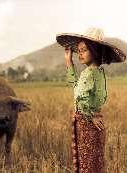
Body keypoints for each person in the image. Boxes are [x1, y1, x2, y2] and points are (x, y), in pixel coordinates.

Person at [56, 28, 126, 173]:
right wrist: (69, 61)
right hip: (95, 122)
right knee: (95, 162)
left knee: (86, 163)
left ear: (94, 51)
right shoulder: (98, 72)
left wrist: (90, 115)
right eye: (79, 50)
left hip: (86, 122)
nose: (80, 53)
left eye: (84, 50)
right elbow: (78, 89)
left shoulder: (88, 73)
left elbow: (79, 97)